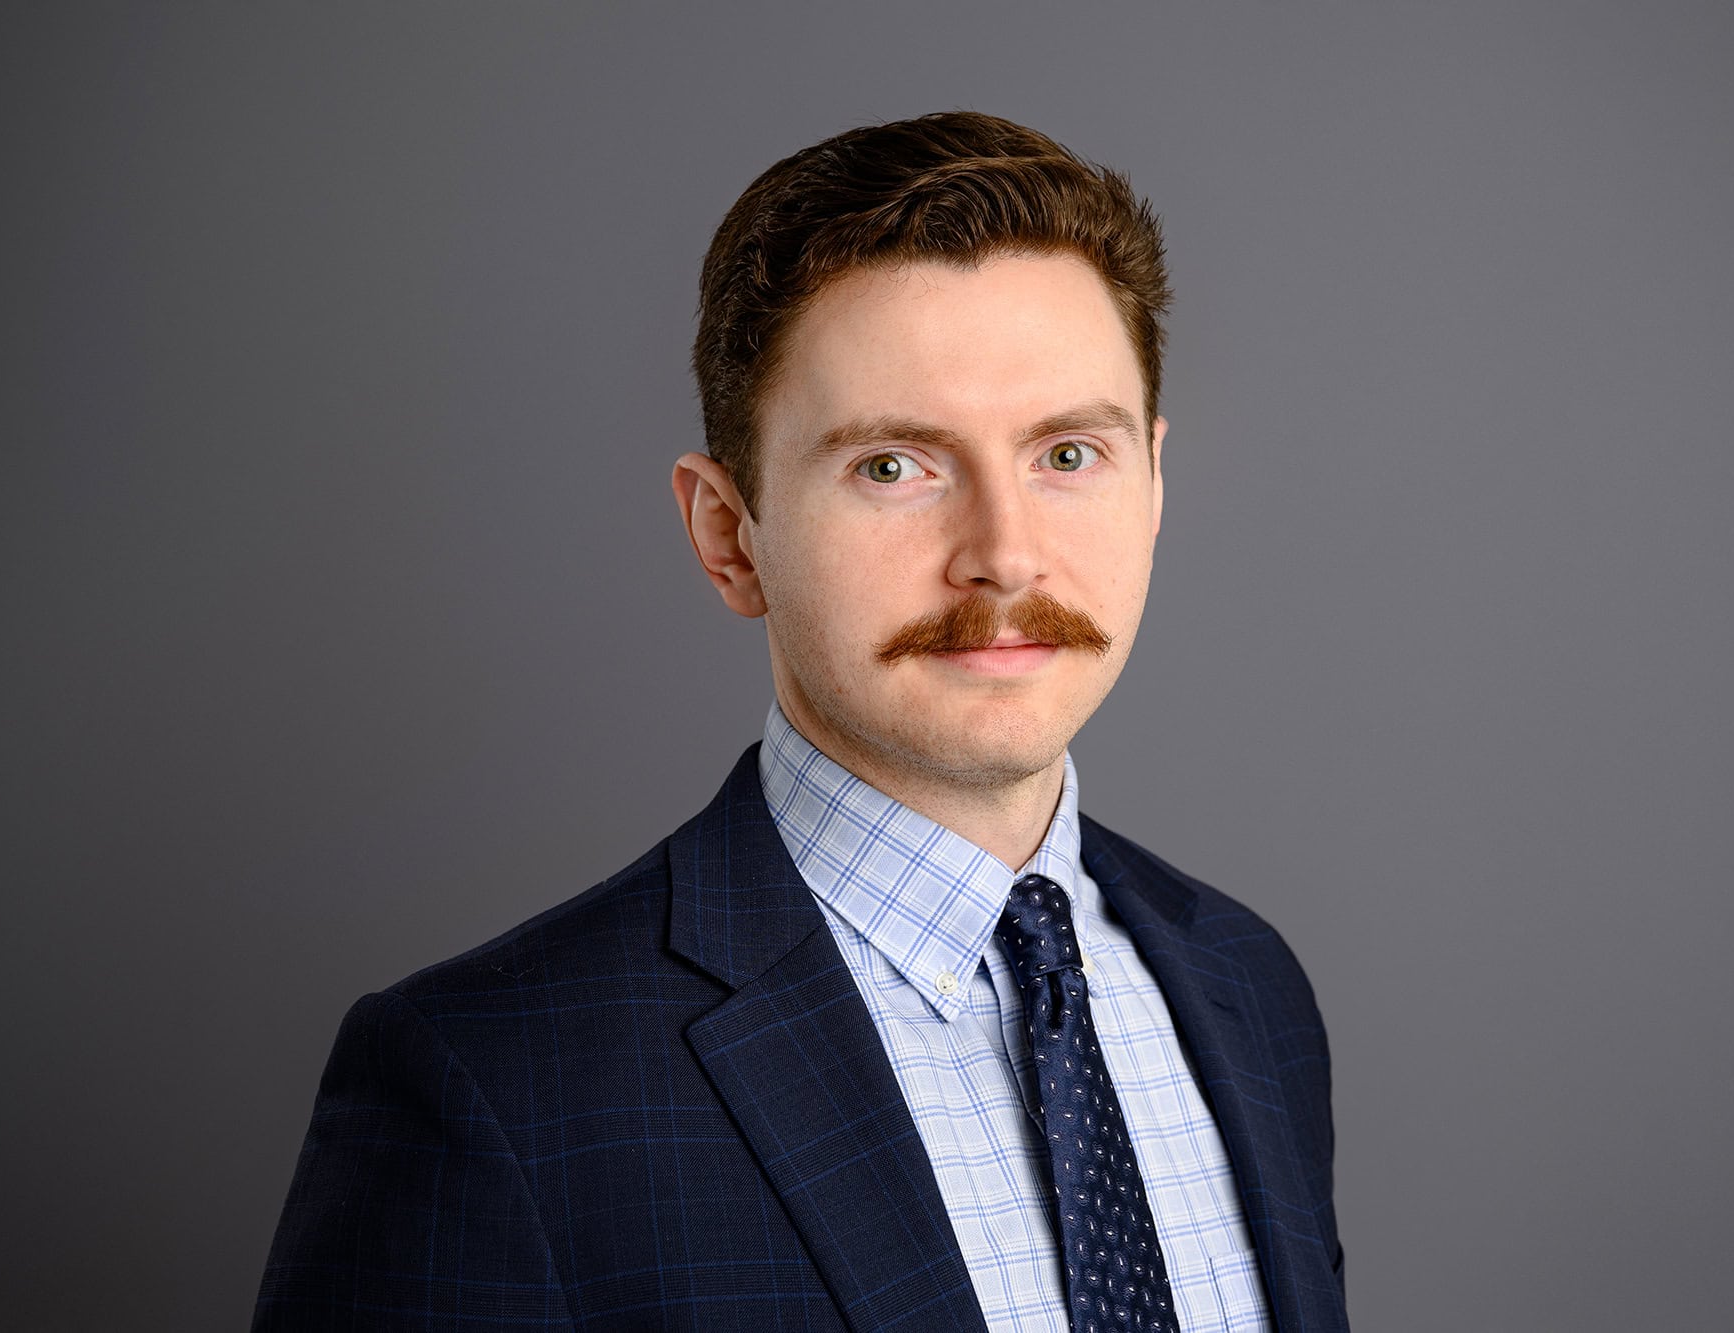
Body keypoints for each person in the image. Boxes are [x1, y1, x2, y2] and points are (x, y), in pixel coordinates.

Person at [256, 111, 1347, 1333]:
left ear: (1152, 481)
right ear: (729, 536)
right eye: (892, 466)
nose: (1003, 554)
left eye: (1067, 455)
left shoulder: (1245, 987)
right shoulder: (490, 1084)